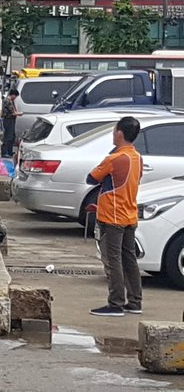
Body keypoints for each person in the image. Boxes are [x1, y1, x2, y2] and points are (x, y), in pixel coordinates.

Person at [87, 116, 144, 317]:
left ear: (119, 133)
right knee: (129, 259)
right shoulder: (137, 157)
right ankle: (135, 301)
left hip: (112, 215)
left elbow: (92, 177)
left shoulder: (115, 158)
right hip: (129, 214)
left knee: (113, 260)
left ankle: (116, 303)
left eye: (113, 131)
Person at [1, 89, 21, 158]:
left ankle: (9, 151)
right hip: (8, 120)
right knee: (8, 136)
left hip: (11, 120)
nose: (15, 98)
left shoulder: (10, 101)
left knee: (12, 136)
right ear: (12, 95)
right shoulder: (8, 101)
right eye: (15, 96)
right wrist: (19, 114)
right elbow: (12, 112)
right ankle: (5, 152)